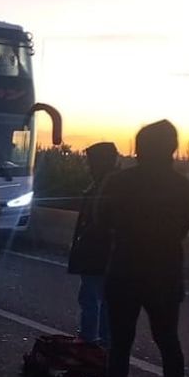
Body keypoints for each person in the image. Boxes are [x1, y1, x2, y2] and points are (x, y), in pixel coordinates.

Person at [89, 120, 189, 377]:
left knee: (120, 343)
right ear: (172, 148)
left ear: (140, 148)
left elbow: (101, 219)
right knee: (168, 341)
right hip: (165, 272)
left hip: (125, 269)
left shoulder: (119, 182)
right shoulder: (184, 187)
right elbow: (183, 229)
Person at [67, 142, 120, 346]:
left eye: (91, 162)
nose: (88, 166)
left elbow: (99, 222)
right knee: (100, 300)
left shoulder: (106, 187)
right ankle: (101, 343)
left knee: (93, 299)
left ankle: (91, 342)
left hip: (98, 254)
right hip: (101, 254)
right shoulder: (107, 184)